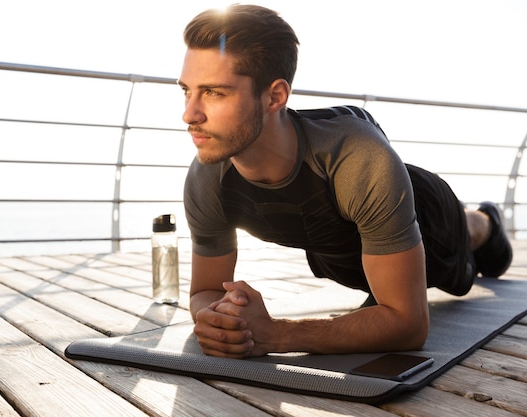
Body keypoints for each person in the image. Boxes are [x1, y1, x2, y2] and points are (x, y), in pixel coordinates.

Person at [179, 4, 512, 358]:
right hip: (336, 246)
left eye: (214, 92)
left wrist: (276, 335)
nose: (189, 114)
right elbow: (205, 292)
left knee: (469, 241)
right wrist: (219, 319)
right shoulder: (207, 178)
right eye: (186, 90)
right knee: (353, 268)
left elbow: (410, 326)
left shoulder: (357, 158)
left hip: (430, 217)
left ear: (275, 96)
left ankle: (486, 222)